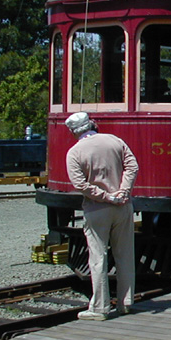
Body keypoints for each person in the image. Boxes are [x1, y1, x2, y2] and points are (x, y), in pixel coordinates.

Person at [65, 112, 139, 320]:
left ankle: (99, 307)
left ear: (73, 131)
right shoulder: (115, 141)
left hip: (97, 209)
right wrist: (123, 192)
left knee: (98, 257)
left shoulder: (74, 152)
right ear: (91, 124)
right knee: (125, 254)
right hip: (123, 206)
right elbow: (132, 166)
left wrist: (105, 197)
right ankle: (126, 302)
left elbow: (80, 184)